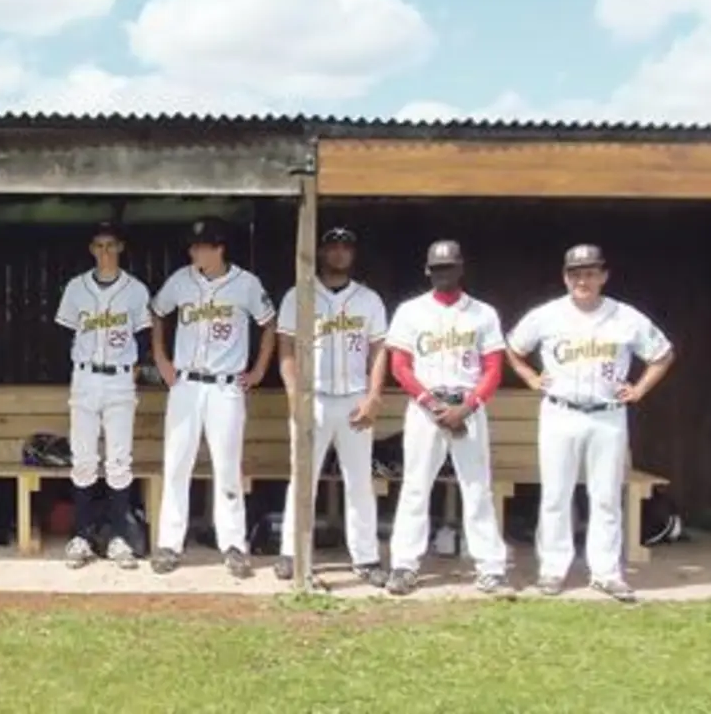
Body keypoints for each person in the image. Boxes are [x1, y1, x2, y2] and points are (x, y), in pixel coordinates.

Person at [506, 244, 675, 602]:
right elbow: (513, 347)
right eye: (576, 273)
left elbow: (663, 354)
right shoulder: (547, 315)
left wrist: (640, 389)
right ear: (565, 277)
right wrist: (531, 378)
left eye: (590, 272)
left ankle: (606, 572)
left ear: (604, 276)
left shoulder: (625, 317)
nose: (583, 279)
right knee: (555, 495)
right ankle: (553, 569)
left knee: (606, 496)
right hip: (560, 410)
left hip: (607, 413)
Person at [383, 240, 514, 598]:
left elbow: (493, 370)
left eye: (450, 267)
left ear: (461, 268)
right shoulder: (411, 311)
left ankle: (491, 569)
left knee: (477, 490)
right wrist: (431, 403)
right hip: (426, 408)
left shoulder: (483, 313)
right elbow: (400, 366)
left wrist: (466, 407)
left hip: (467, 405)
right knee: (414, 488)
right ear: (428, 271)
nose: (444, 273)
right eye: (438, 268)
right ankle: (404, 566)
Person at [148, 217, 277, 578]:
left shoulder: (246, 283)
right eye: (192, 246)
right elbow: (157, 313)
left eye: (201, 246)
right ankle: (169, 544)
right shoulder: (180, 280)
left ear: (219, 248)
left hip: (225, 385)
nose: (194, 252)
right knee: (176, 464)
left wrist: (259, 370)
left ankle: (234, 545)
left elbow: (269, 323)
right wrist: (161, 359)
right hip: (186, 382)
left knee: (227, 466)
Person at [273, 226, 389, 587]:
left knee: (359, 482)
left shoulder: (368, 299)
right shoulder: (299, 294)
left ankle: (366, 557)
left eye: (345, 247)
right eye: (332, 247)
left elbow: (379, 350)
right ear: (321, 252)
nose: (339, 253)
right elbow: (286, 349)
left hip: (354, 398)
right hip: (314, 398)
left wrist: (373, 396)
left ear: (352, 254)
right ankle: (293, 552)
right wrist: (294, 396)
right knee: (302, 479)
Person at [53, 222, 151, 569]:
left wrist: (134, 370)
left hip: (120, 379)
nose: (105, 252)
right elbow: (64, 334)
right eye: (99, 245)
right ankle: (81, 536)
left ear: (120, 247)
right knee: (83, 458)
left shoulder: (135, 290)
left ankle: (118, 537)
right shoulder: (77, 288)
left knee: (119, 460)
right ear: (92, 249)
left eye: (111, 245)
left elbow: (143, 337)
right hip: (85, 375)